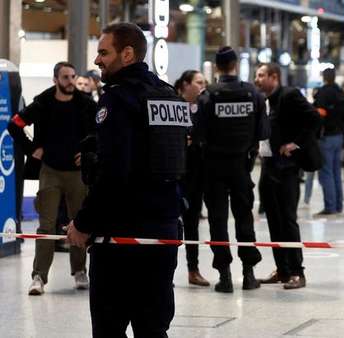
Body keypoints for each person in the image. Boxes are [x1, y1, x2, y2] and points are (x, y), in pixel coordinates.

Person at [65, 23, 188, 337]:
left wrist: (83, 223)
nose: (97, 61)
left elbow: (113, 175)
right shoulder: (170, 96)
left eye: (104, 53)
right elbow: (180, 163)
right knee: (154, 329)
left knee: (109, 329)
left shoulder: (118, 99)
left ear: (128, 54)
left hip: (122, 238)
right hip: (164, 233)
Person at [8, 61, 97, 295]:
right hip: (50, 171)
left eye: (73, 76)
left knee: (79, 222)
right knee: (46, 226)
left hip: (77, 174)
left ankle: (80, 271)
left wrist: (88, 154)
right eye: (65, 77)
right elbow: (15, 124)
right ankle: (39, 276)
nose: (70, 82)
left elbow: (100, 132)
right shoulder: (43, 102)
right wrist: (31, 149)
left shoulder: (86, 104)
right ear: (55, 79)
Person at [196, 46, 268, 293]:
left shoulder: (208, 96)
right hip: (241, 167)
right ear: (236, 65)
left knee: (217, 221)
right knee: (244, 219)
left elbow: (199, 135)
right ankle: (249, 274)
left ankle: (225, 276)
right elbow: (262, 134)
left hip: (214, 168)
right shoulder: (254, 94)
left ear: (216, 67)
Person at [254, 63, 321, 289]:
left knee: (287, 220)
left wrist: (295, 143)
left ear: (274, 77)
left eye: (261, 75)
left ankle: (297, 272)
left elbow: (314, 118)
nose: (258, 79)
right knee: (273, 220)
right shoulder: (266, 99)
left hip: (287, 169)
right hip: (269, 166)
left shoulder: (289, 95)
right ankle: (282, 269)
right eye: (257, 75)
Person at [173, 69, 210, 287]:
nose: (202, 86)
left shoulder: (204, 108)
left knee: (192, 223)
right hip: (173, 174)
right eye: (198, 82)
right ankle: (166, 271)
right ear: (186, 84)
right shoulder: (174, 106)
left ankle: (193, 269)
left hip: (196, 174)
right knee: (169, 223)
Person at [313, 67, 344, 216]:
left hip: (326, 136)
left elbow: (319, 115)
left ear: (324, 78)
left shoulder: (323, 92)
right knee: (336, 172)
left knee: (325, 173)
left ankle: (330, 206)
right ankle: (338, 205)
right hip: (339, 136)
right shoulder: (340, 93)